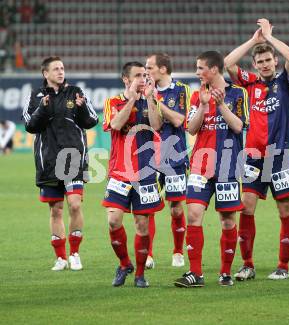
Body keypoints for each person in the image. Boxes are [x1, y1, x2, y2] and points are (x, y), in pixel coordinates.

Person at [224, 18, 289, 281]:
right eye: (261, 61)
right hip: (253, 157)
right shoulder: (249, 84)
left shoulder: (285, 82)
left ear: (274, 62)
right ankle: (248, 265)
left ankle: (283, 266)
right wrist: (254, 41)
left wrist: (268, 38)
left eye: (269, 60)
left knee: (285, 210)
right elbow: (227, 63)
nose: (266, 64)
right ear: (255, 66)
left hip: (279, 155)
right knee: (245, 208)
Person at [174, 50, 248, 288]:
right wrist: (205, 106)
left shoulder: (238, 93)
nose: (197, 73)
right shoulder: (197, 96)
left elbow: (238, 126)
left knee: (227, 220)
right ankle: (195, 273)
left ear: (214, 69)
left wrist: (220, 105)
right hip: (199, 166)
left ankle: (225, 273)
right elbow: (191, 129)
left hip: (227, 166)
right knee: (194, 215)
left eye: (200, 68)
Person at [22, 56, 98, 271]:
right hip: (48, 160)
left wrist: (82, 108)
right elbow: (30, 126)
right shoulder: (36, 96)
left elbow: (91, 121)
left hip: (73, 157)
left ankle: (75, 253)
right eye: (56, 69)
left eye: (62, 68)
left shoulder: (76, 92)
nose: (60, 72)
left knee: (75, 204)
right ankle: (60, 257)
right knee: (55, 210)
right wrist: (42, 109)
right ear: (45, 74)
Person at [102, 61, 164, 288]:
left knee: (142, 226)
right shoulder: (113, 102)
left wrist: (148, 99)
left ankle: (139, 274)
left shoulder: (151, 101)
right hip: (119, 173)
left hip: (146, 174)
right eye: (138, 75)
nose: (143, 78)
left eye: (145, 74)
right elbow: (116, 125)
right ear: (126, 79)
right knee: (113, 220)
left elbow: (157, 126)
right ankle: (124, 263)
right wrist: (132, 100)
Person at [144, 52, 191, 269]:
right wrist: (149, 97)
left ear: (163, 69)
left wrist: (155, 100)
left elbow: (179, 120)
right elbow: (154, 125)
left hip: (175, 157)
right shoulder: (144, 91)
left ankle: (178, 252)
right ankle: (149, 255)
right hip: (148, 158)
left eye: (150, 67)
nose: (146, 72)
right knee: (148, 208)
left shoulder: (181, 90)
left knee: (176, 208)